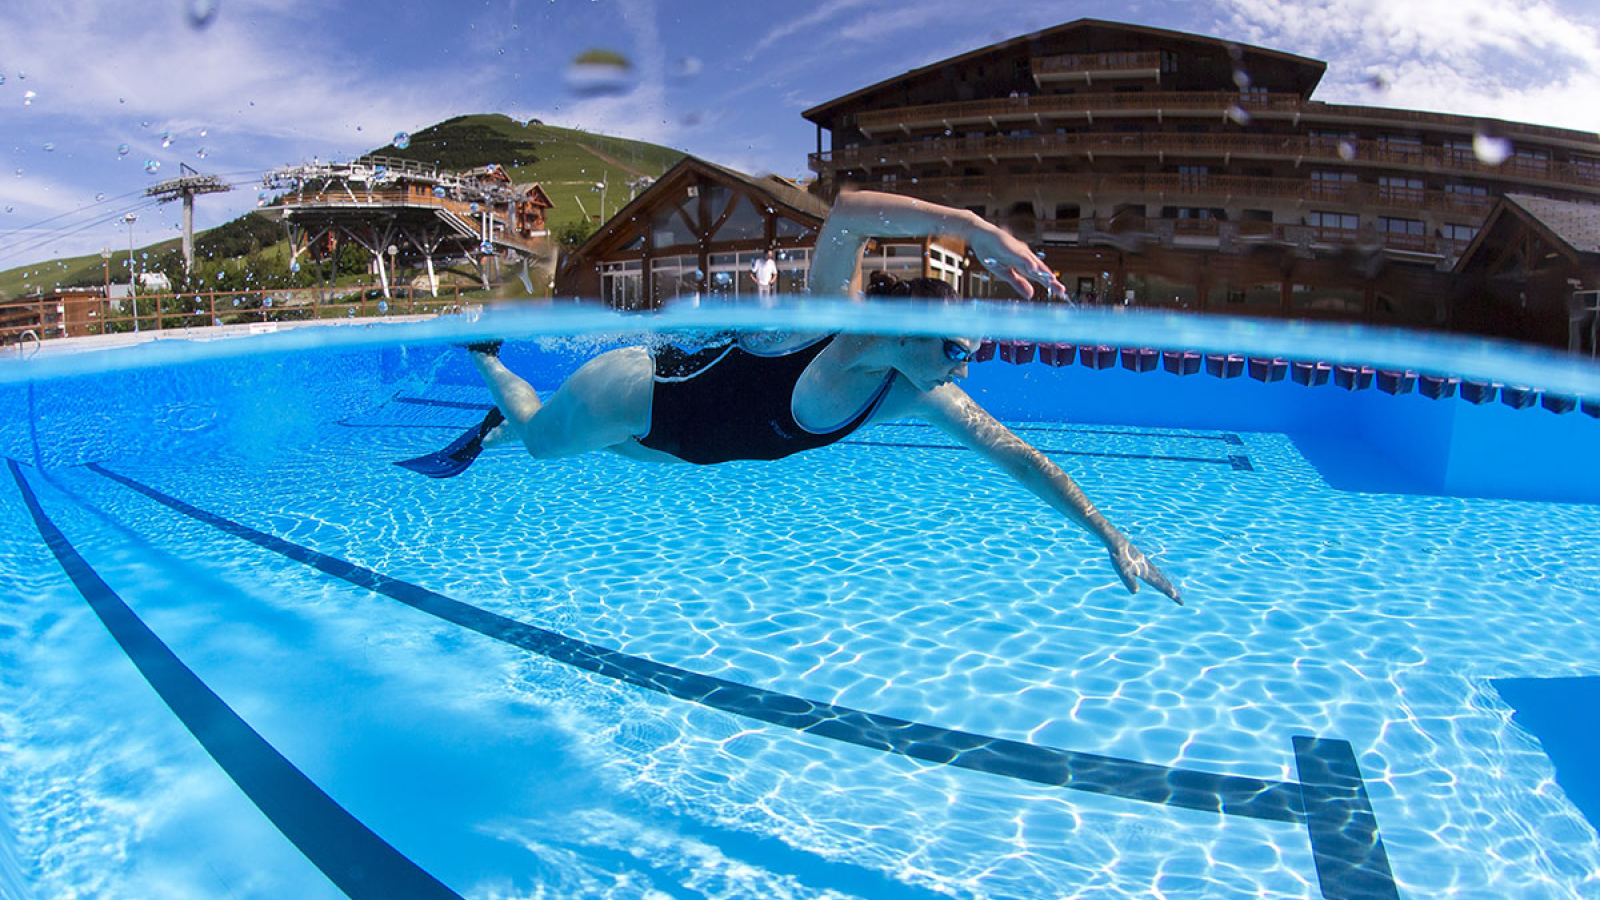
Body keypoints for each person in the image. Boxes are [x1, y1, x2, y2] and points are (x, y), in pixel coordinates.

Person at [399, 190, 1180, 603]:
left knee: (577, 448)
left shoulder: (914, 388)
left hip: (688, 451)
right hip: (641, 396)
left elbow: (1019, 458)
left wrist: (1109, 535)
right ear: (907, 331)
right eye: (956, 350)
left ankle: (505, 420)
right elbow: (847, 213)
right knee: (541, 443)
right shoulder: (825, 317)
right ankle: (488, 362)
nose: (964, 373)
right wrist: (972, 228)